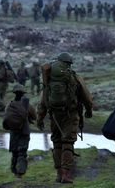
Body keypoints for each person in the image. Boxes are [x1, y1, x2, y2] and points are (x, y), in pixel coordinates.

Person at [37, 53, 93, 183]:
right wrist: (89, 111)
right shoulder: (74, 78)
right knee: (67, 143)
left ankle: (58, 173)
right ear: (68, 64)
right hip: (70, 115)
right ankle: (66, 175)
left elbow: (43, 102)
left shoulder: (49, 79)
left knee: (57, 142)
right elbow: (87, 98)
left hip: (54, 115)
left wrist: (40, 118)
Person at [5, 84, 36, 178]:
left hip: (13, 132)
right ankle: (20, 172)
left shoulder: (10, 104)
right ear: (23, 93)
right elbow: (34, 116)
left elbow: (6, 117)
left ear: (14, 93)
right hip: (24, 131)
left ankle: (14, 171)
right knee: (22, 152)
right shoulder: (27, 105)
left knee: (15, 152)